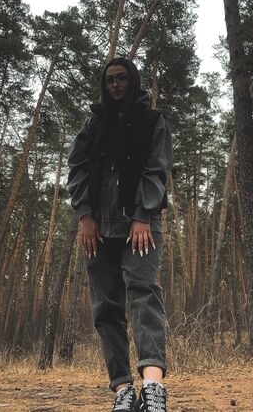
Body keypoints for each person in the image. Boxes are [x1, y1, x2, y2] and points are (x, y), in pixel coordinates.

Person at [66, 57, 173, 412]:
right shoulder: (93, 124)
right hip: (97, 229)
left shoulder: (152, 121)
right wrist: (85, 215)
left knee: (144, 296)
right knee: (106, 308)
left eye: (122, 78)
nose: (115, 85)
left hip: (140, 227)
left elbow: (157, 170)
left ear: (133, 80)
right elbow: (77, 167)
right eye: (109, 79)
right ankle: (123, 390)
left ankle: (153, 388)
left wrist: (142, 215)